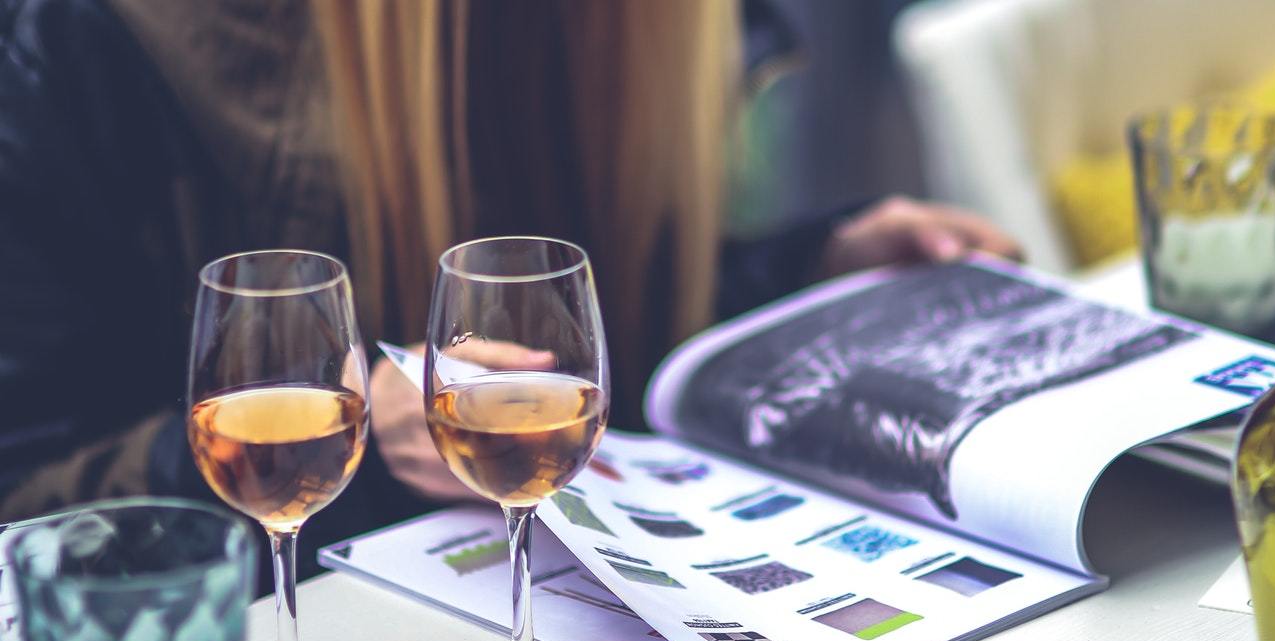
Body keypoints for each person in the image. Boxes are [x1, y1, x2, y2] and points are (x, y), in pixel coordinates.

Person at [0, 0, 1018, 580]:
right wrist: (341, 428)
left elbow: (575, 330)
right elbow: (24, 494)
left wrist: (800, 271)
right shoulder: (75, 44)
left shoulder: (621, 32)